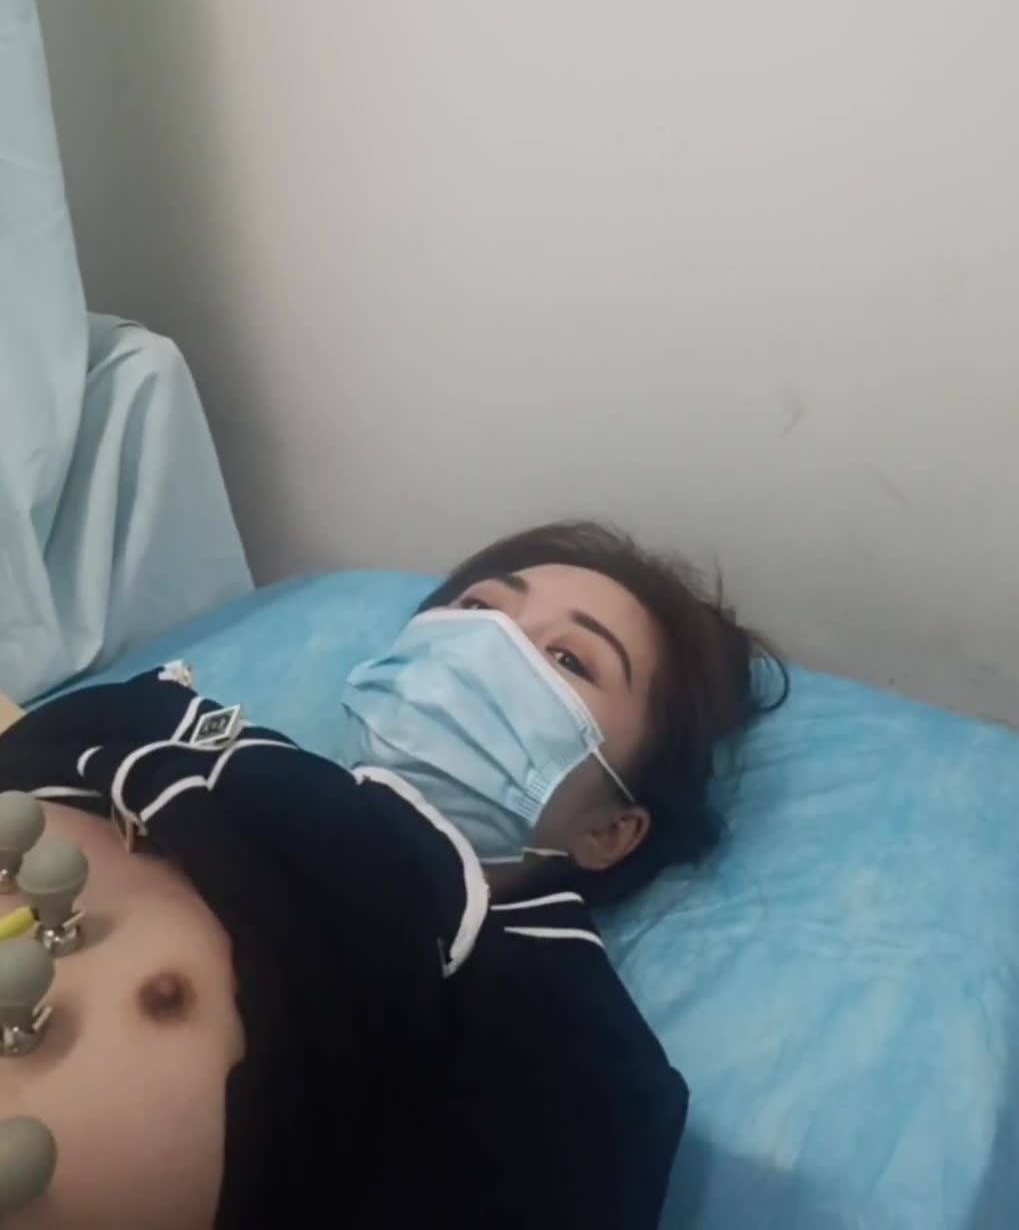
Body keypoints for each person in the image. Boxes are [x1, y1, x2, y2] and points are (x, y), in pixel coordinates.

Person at [0, 520, 784, 1227]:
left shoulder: (578, 1058)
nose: (483, 646)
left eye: (568, 659)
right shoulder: (181, 728)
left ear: (610, 831)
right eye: (477, 609)